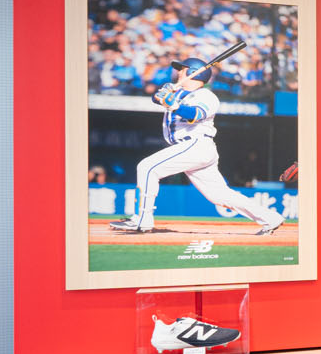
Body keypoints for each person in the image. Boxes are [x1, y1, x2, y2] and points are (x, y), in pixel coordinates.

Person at [111, 59, 284, 235]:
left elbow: (196, 114)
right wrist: (162, 95)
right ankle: (271, 218)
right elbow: (156, 98)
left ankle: (142, 219)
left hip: (196, 145)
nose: (178, 72)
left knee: (147, 167)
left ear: (193, 72)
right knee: (219, 195)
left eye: (182, 69)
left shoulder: (206, 96)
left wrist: (173, 104)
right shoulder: (178, 91)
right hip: (191, 149)